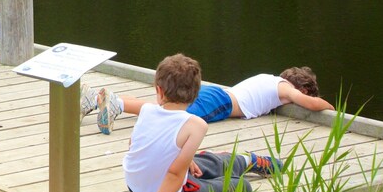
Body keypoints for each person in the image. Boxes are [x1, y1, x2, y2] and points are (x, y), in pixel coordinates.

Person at [122, 53, 283, 192]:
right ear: (195, 94)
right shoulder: (196, 126)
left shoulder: (146, 110)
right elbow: (174, 174)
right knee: (242, 185)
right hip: (172, 190)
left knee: (200, 164)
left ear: (159, 90)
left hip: (136, 186)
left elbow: (134, 147)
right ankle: (240, 161)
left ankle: (246, 161)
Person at [83, 65, 334, 135]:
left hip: (216, 94)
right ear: (300, 87)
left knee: (165, 107)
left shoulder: (269, 79)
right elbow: (311, 104)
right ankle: (113, 102)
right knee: (169, 114)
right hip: (221, 102)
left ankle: (95, 100)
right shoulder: (285, 88)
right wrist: (331, 108)